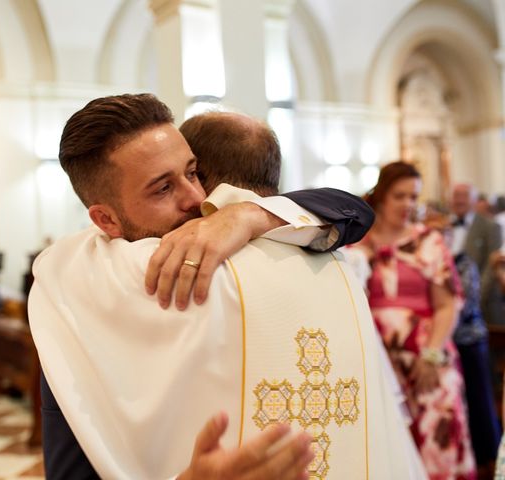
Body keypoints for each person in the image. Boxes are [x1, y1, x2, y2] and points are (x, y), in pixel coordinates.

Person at [30, 96, 424, 479]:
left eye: (192, 172)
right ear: (106, 220)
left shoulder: (256, 234)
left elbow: (350, 208)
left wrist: (250, 215)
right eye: (162, 188)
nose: (196, 198)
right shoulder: (76, 286)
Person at [354, 161, 476, 478]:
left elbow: (447, 306)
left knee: (438, 444)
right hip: (382, 364)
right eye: (400, 196)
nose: (408, 204)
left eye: (414, 197)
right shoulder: (356, 245)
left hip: (429, 358)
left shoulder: (428, 242)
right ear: (381, 195)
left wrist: (431, 356)